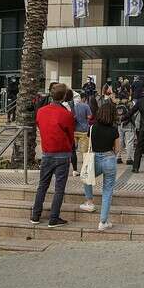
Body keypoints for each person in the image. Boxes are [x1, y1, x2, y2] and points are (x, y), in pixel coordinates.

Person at [31, 83, 75, 228]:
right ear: (63, 97)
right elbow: (70, 134)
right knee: (59, 188)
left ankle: (35, 215)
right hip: (62, 153)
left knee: (42, 185)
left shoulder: (41, 111)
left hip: (47, 152)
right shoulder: (66, 114)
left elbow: (40, 126)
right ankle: (54, 218)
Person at [79, 102, 120, 231]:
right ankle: (103, 222)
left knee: (87, 177)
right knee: (107, 191)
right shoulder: (114, 130)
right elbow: (118, 149)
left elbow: (88, 143)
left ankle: (89, 202)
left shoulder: (92, 128)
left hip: (94, 158)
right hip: (109, 159)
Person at [62, 89, 80, 177]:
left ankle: (63, 169)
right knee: (73, 151)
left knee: (63, 151)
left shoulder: (61, 105)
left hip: (62, 130)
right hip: (71, 129)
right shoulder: (74, 103)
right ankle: (75, 170)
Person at [73, 92, 93, 169]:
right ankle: (85, 168)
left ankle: (74, 168)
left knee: (73, 150)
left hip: (74, 130)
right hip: (84, 130)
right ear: (84, 98)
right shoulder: (86, 106)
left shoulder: (74, 106)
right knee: (84, 151)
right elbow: (89, 116)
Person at [116, 99, 135, 165]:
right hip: (129, 125)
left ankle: (118, 157)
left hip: (119, 125)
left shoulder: (118, 105)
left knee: (120, 141)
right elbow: (132, 114)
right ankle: (129, 158)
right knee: (129, 142)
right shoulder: (129, 104)